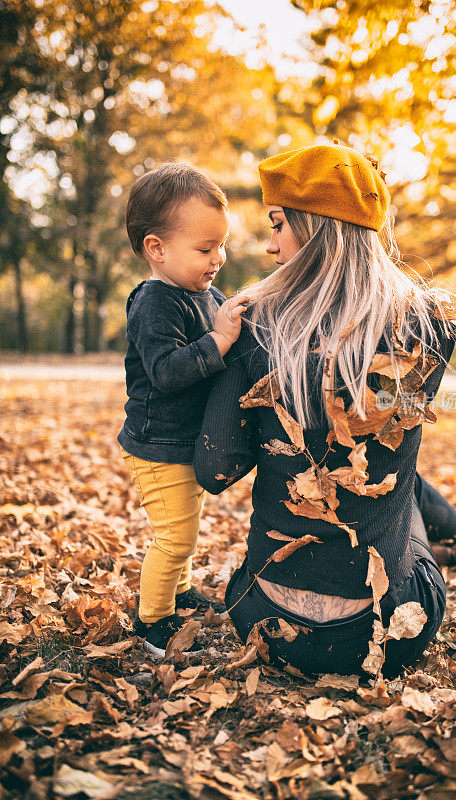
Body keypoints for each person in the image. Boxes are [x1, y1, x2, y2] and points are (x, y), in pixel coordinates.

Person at [193, 143, 456, 678]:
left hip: (262, 623)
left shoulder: (252, 325)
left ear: (315, 230)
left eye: (278, 225)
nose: (270, 247)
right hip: (386, 633)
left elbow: (215, 472)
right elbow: (394, 415)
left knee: (369, 466)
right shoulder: (430, 324)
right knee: (388, 470)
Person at [118, 162, 248, 658]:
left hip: (183, 442)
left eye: (221, 245)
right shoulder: (155, 303)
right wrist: (217, 339)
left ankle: (180, 589)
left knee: (186, 525)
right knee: (173, 536)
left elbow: (228, 328)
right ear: (157, 249)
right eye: (204, 248)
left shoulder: (204, 294)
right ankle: (153, 621)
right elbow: (166, 372)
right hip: (157, 444)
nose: (218, 258)